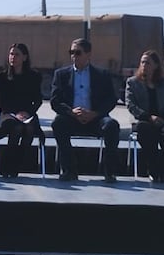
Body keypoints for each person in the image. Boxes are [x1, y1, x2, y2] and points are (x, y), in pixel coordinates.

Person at [50, 38, 120, 182]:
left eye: (78, 52)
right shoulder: (61, 75)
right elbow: (55, 101)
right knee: (58, 123)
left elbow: (111, 99)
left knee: (111, 125)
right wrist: (71, 112)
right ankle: (69, 170)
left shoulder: (102, 75)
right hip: (72, 117)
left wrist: (95, 113)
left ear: (88, 54)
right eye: (71, 52)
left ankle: (109, 172)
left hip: (95, 118)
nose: (74, 56)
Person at [125, 50, 164, 183]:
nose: (144, 65)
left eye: (147, 62)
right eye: (142, 62)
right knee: (145, 130)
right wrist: (149, 117)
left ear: (155, 66)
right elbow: (130, 105)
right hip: (144, 120)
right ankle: (153, 169)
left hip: (163, 120)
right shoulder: (133, 83)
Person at [0, 43, 44, 178]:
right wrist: (16, 114)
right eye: (11, 54)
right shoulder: (1, 77)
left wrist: (27, 113)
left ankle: (15, 165)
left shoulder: (34, 76)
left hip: (28, 113)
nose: (13, 57)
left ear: (25, 57)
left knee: (29, 129)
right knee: (16, 128)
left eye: (17, 54)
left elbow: (38, 100)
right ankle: (7, 166)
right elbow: (1, 101)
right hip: (8, 114)